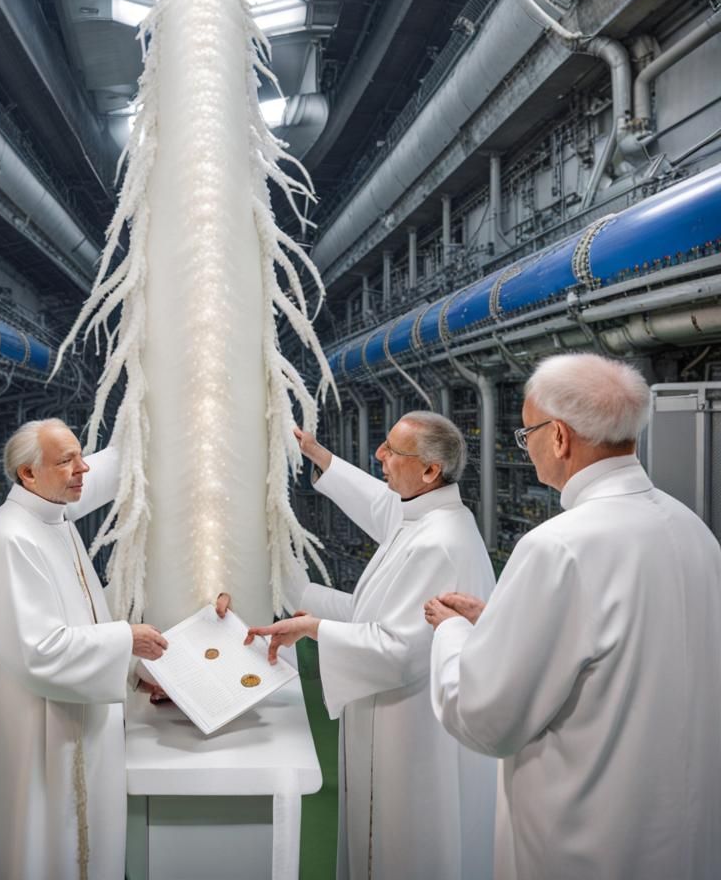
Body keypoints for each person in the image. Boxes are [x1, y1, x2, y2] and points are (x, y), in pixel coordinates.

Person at [425, 353, 721, 879]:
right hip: (682, 841)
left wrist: (452, 633)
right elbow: (633, 650)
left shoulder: (557, 547)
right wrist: (504, 622)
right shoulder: (693, 530)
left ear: (559, 437)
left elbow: (485, 717)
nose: (529, 444)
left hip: (584, 845)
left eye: (528, 432)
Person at [247, 412, 497, 880]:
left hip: (411, 734)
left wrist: (314, 626)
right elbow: (380, 510)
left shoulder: (437, 542)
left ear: (429, 471)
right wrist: (317, 454)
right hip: (399, 720)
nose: (378, 456)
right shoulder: (425, 515)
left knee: (404, 849)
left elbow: (396, 648)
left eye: (391, 451)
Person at [0, 419, 168, 880]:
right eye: (65, 461)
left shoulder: (54, 522)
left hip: (73, 723)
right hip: (38, 736)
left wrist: (134, 671)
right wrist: (126, 639)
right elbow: (39, 650)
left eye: (80, 456)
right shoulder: (10, 539)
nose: (82, 469)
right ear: (27, 474)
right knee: (45, 852)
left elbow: (84, 619)